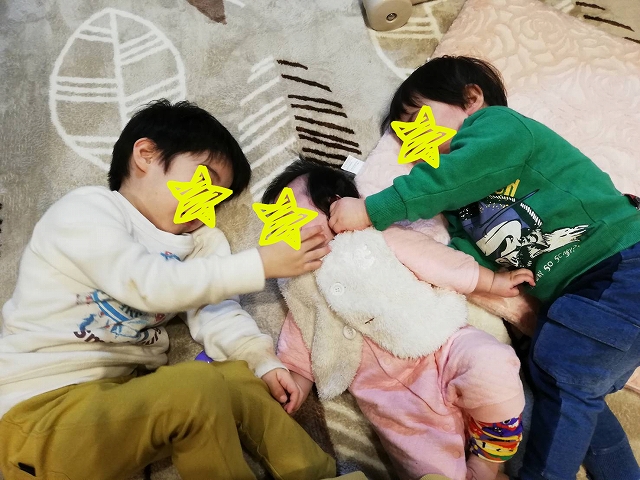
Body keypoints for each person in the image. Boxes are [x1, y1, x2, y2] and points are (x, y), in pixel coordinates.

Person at [328, 56, 640, 480]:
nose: (416, 140)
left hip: (620, 261)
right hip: (589, 293)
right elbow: (468, 246)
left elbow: (450, 178)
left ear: (471, 98)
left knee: (562, 365)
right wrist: (478, 275)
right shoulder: (460, 200)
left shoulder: (499, 127)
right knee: (566, 381)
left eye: (419, 120)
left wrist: (371, 209)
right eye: (406, 136)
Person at [0, 99, 338, 480]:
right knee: (196, 385)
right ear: (145, 155)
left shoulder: (198, 243)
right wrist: (260, 264)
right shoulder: (87, 210)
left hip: (115, 405)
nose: (205, 205)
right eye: (203, 182)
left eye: (218, 197)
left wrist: (262, 361)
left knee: (236, 380)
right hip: (33, 416)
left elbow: (219, 312)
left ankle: (320, 474)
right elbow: (148, 284)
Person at [264, 159, 526, 480]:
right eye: (277, 224)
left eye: (290, 214)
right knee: (429, 468)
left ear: (335, 204)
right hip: (390, 400)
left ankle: (487, 461)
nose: (285, 229)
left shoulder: (377, 236)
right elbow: (303, 338)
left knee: (491, 364)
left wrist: (492, 282)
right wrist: (295, 384)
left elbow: (440, 263)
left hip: (441, 345)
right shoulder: (300, 283)